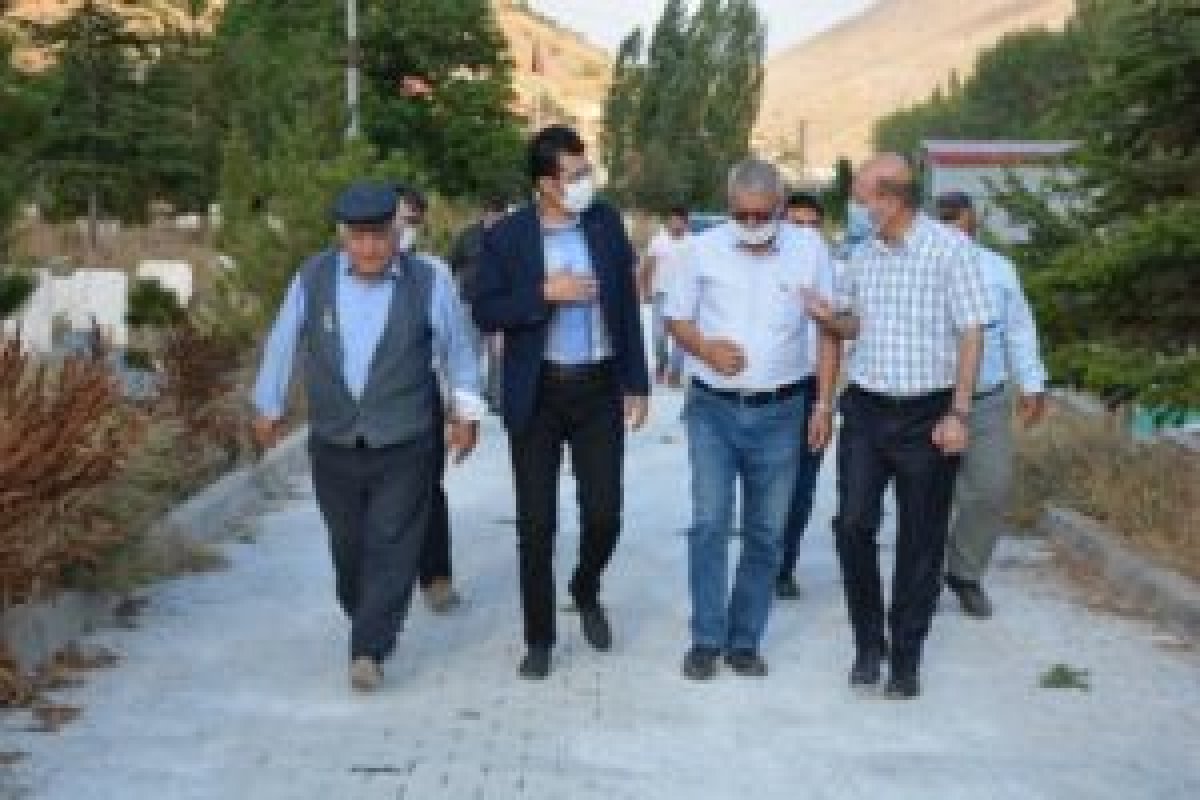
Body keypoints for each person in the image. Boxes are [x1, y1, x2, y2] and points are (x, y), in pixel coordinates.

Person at [251, 181, 483, 692]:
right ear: (342, 236)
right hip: (334, 440)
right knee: (349, 546)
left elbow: (458, 351)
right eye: (359, 238)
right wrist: (268, 405)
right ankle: (367, 613)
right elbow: (284, 341)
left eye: (380, 236)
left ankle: (369, 649)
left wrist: (465, 414)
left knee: (393, 542)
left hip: (406, 439)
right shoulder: (313, 278)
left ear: (397, 233)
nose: (370, 248)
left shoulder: (428, 282)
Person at [808, 154, 990, 699]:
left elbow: (971, 333)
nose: (857, 207)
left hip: (928, 415)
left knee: (920, 540)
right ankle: (869, 644)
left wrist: (959, 413)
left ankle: (906, 659)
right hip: (866, 410)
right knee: (852, 526)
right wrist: (828, 318)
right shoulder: (861, 256)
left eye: (862, 198)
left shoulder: (951, 250)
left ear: (889, 199)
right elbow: (852, 325)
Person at [474, 125, 650, 680]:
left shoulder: (604, 223)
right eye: (575, 175)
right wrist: (544, 294)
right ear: (546, 184)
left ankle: (585, 585)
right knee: (536, 525)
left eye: (586, 171)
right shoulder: (508, 237)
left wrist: (637, 381)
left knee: (605, 514)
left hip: (598, 387)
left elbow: (625, 306)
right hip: (538, 393)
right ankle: (539, 638)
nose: (585, 182)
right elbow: (485, 309)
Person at [666, 159, 839, 681]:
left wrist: (823, 404)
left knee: (767, 530)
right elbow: (676, 318)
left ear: (781, 208)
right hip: (713, 411)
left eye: (762, 215)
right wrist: (705, 348)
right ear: (728, 207)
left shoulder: (810, 251)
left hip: (783, 411)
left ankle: (745, 641)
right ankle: (706, 638)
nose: (752, 224)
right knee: (710, 523)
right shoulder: (700, 250)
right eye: (741, 215)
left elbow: (828, 329)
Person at [936, 191, 1049, 618]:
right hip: (931, 401)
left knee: (990, 488)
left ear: (973, 220)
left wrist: (1032, 383)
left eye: (957, 216)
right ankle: (922, 578)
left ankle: (964, 572)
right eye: (943, 217)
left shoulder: (999, 269)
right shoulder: (921, 267)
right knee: (927, 495)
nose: (951, 224)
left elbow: (1018, 329)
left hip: (987, 399)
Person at [394, 185, 471, 615]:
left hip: (422, 396)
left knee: (426, 488)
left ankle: (436, 576)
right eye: (396, 218)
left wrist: (461, 410)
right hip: (365, 407)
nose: (401, 229)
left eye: (411, 221)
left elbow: (455, 346)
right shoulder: (345, 273)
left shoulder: (434, 274)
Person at [776, 192, 840, 600]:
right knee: (767, 484)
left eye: (813, 225)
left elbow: (836, 336)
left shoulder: (836, 271)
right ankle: (762, 559)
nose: (805, 233)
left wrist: (825, 403)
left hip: (812, 387)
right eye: (796, 224)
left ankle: (784, 565)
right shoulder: (766, 266)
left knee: (801, 485)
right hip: (771, 388)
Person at [449, 196, 510, 413]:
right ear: (484, 214)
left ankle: (497, 399)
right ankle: (470, 397)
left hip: (499, 304)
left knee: (498, 354)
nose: (496, 220)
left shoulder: (511, 237)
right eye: (493, 215)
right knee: (470, 352)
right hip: (470, 303)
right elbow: (453, 264)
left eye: (501, 216)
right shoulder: (467, 236)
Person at [640, 207, 691, 387]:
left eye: (679, 220)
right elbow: (647, 267)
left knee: (681, 337)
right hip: (661, 295)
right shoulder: (658, 242)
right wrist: (645, 290)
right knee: (659, 335)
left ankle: (675, 373)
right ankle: (661, 365)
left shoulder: (693, 243)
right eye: (672, 220)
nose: (675, 224)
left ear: (685, 223)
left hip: (684, 297)